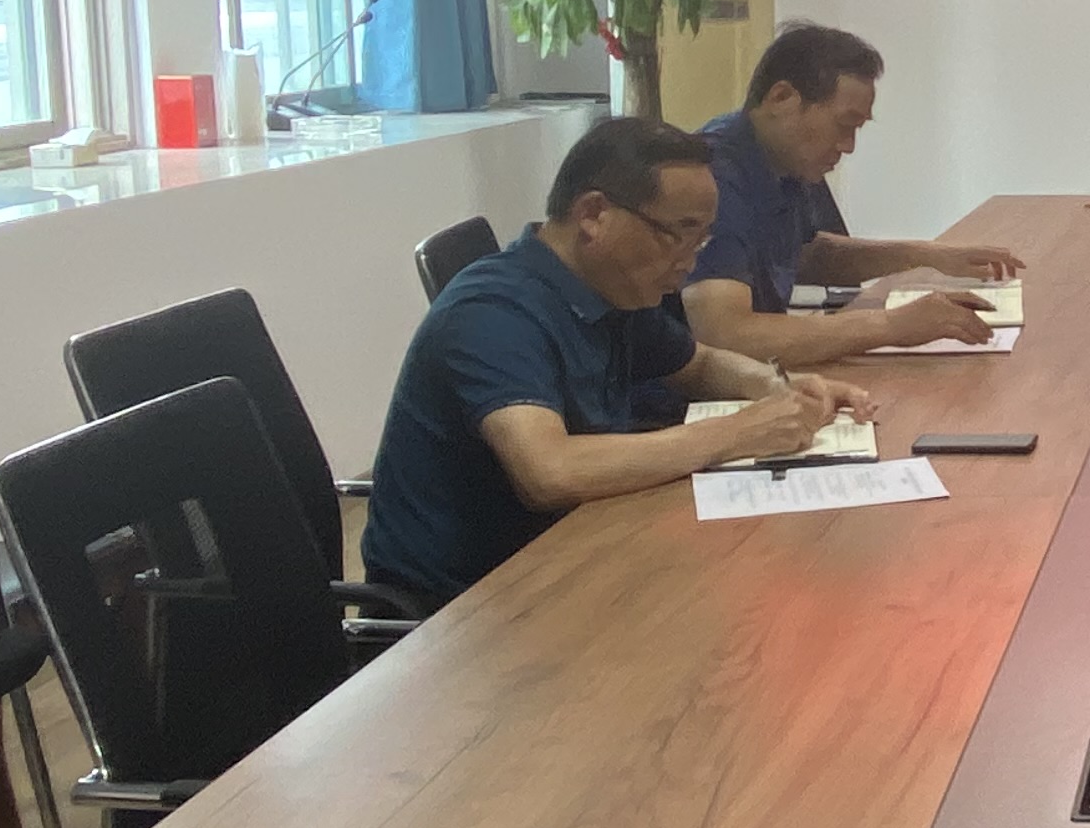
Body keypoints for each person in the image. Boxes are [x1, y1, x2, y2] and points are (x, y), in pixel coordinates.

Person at [364, 117, 869, 605]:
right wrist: (740, 432)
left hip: (576, 557)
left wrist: (780, 386)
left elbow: (697, 365)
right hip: (469, 610)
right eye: (679, 233)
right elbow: (550, 471)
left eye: (702, 239)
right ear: (593, 214)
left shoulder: (609, 288)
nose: (691, 260)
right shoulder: (492, 312)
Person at [684, 23, 1026, 372]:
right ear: (781, 98)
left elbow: (807, 256)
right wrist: (890, 325)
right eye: (844, 125)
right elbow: (724, 335)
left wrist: (925, 255)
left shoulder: (785, 159)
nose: (848, 146)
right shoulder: (713, 175)